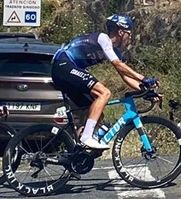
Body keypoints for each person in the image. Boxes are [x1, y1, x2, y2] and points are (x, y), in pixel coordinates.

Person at [52, 15, 157, 150]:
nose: (130, 38)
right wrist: (143, 78)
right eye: (129, 34)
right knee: (104, 93)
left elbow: (125, 76)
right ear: (121, 32)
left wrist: (146, 90)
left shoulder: (115, 51)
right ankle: (86, 138)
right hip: (63, 65)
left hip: (68, 69)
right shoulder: (103, 39)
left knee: (97, 114)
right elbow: (118, 65)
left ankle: (78, 151)